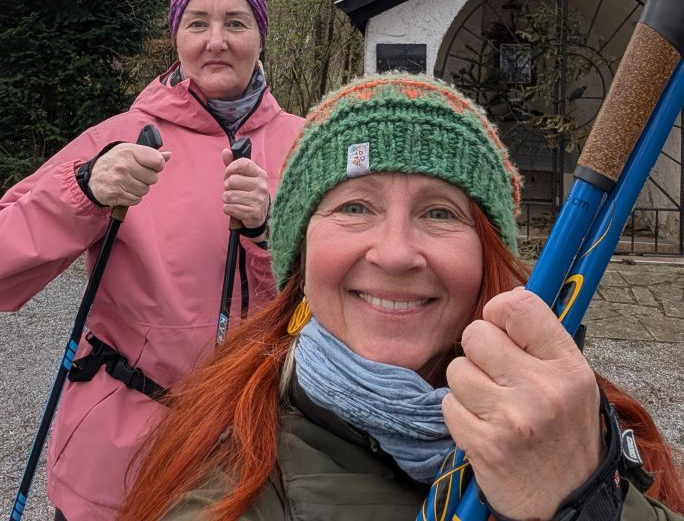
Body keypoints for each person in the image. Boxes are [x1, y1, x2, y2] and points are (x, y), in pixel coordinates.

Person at [120, 73, 684, 521]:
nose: (394, 254)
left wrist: (586, 496)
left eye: (439, 212)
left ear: (488, 252)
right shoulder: (227, 478)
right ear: (301, 255)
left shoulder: (594, 425)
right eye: (354, 207)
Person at [0, 0, 305, 521]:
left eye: (236, 22)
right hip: (119, 455)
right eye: (197, 23)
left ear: (261, 37)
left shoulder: (307, 145)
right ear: (177, 40)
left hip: (262, 447)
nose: (216, 40)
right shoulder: (117, 138)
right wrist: (84, 191)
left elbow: (337, 307)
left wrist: (268, 232)